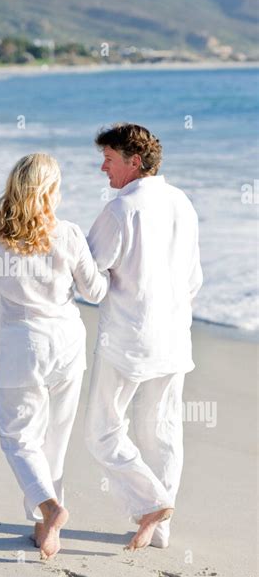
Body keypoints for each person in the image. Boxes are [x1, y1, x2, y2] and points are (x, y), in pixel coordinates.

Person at [0, 152, 109, 560]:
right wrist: (114, 270)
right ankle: (46, 529)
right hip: (67, 343)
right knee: (55, 438)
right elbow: (95, 292)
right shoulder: (70, 234)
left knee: (18, 436)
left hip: (23, 347)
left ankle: (48, 508)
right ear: (50, 191)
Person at [84, 123, 203, 551]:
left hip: (128, 340)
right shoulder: (181, 202)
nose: (103, 167)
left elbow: (89, 273)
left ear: (134, 162)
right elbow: (194, 279)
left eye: (110, 159)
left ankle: (152, 503)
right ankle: (161, 527)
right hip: (174, 338)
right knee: (163, 431)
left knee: (101, 430)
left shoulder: (122, 209)